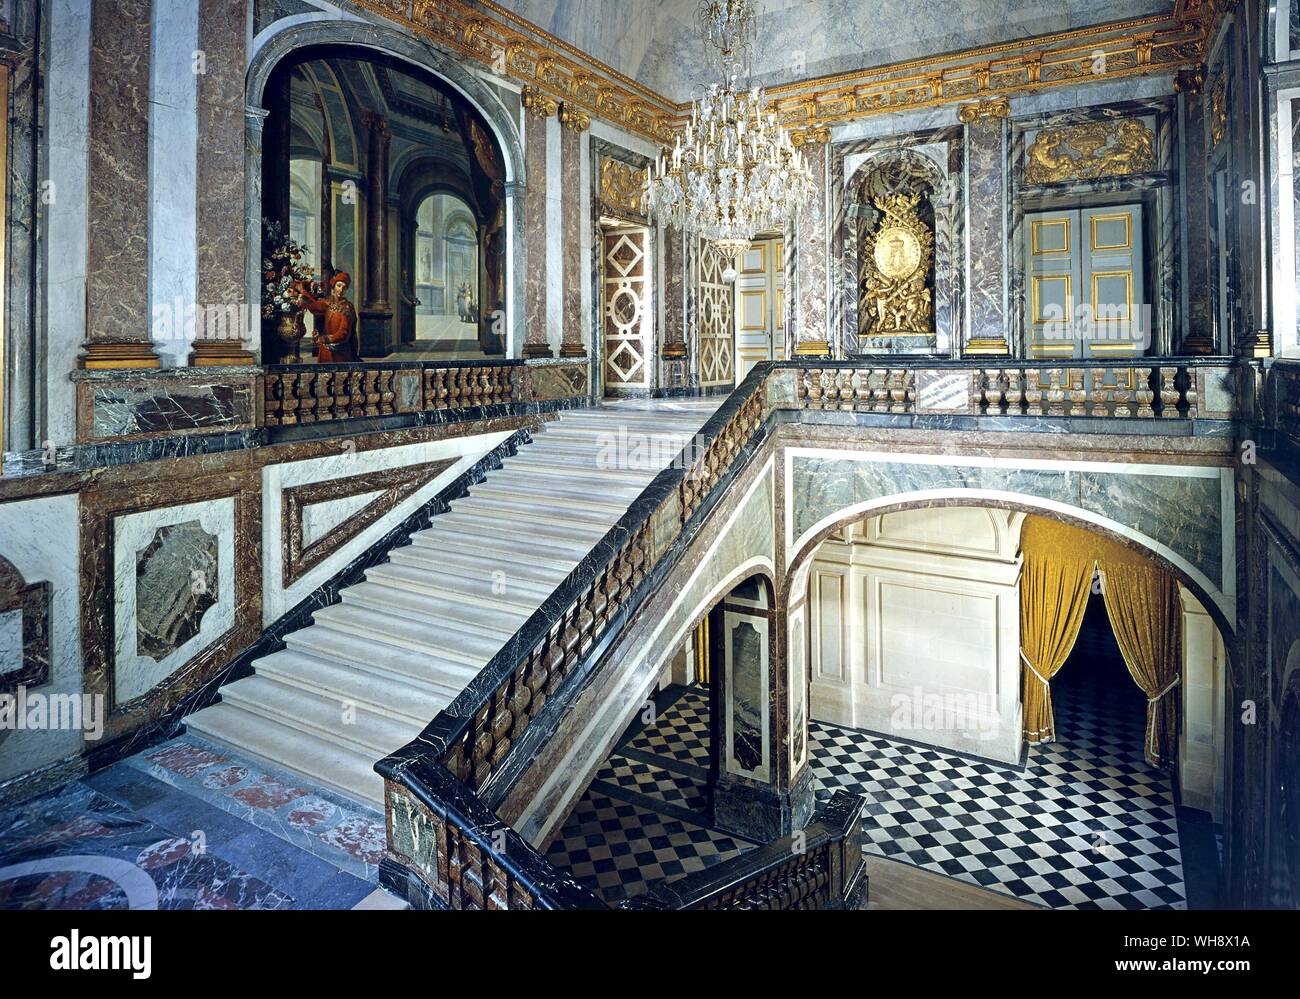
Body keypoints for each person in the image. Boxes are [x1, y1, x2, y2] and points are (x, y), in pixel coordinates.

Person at [298, 271, 359, 362]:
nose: (341, 289)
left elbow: (344, 334)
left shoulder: (347, 307)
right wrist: (305, 295)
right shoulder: (328, 302)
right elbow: (314, 307)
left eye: (344, 287)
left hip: (341, 352)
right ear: (333, 286)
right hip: (325, 351)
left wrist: (324, 339)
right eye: (339, 285)